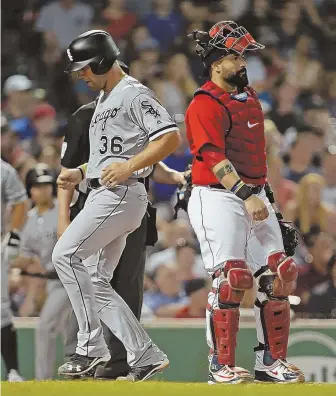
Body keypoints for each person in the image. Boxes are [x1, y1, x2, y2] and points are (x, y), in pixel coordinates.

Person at [52, 29, 181, 381]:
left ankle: (90, 348)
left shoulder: (133, 93)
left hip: (121, 193)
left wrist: (129, 166)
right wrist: (81, 173)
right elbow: (110, 154)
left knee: (65, 255)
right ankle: (145, 354)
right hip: (106, 191)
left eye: (86, 68)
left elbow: (170, 136)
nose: (81, 75)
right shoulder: (106, 100)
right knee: (94, 280)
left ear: (104, 61)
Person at [185, 21, 304, 384]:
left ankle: (270, 362)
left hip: (254, 193)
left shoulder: (248, 97)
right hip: (219, 196)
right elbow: (212, 157)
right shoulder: (204, 103)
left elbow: (254, 156)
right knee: (231, 279)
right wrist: (246, 195)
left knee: (280, 274)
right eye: (236, 56)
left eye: (243, 55)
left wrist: (264, 196)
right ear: (217, 63)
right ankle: (220, 366)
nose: (243, 62)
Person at [11, 163, 71, 380]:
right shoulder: (29, 220)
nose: (43, 190)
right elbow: (25, 256)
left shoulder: (64, 208)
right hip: (54, 281)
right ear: (30, 190)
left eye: (46, 185)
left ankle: (42, 380)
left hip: (71, 278)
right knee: (67, 332)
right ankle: (71, 381)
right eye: (37, 186)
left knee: (45, 327)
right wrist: (9, 260)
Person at [1, 159, 28, 382]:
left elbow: (20, 202)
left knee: (1, 309)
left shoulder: (3, 170)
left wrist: (14, 235)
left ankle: (13, 371)